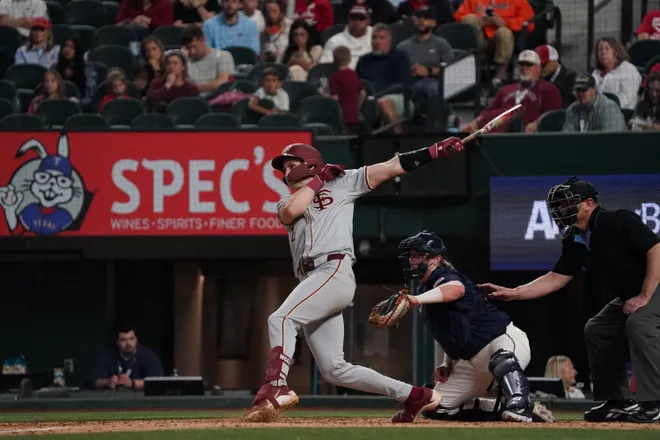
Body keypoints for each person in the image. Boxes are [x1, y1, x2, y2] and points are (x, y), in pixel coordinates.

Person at [245, 135, 468, 423]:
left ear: (310, 164)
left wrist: (433, 151)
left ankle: (276, 385)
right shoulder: (286, 202)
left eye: (291, 164)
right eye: (283, 168)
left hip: (333, 270)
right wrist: (316, 181)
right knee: (334, 369)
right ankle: (415, 396)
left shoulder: (343, 182)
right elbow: (292, 211)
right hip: (311, 279)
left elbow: (391, 166)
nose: (286, 172)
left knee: (281, 319)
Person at [481, 176, 660, 423]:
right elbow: (556, 277)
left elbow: (656, 250)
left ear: (588, 204)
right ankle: (617, 402)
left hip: (654, 286)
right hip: (632, 293)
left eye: (566, 204)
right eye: (558, 206)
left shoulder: (617, 220)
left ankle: (653, 403)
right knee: (597, 328)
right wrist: (513, 292)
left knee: (638, 323)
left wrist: (645, 296)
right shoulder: (576, 238)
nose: (560, 210)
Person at [396, 231, 555, 423]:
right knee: (435, 406)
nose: (412, 260)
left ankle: (520, 405)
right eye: (411, 255)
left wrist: (413, 300)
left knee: (502, 359)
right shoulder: (424, 288)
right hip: (471, 361)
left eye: (418, 255)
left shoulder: (445, 275)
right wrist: (448, 363)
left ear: (436, 259)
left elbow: (456, 289)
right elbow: (453, 330)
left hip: (502, 341)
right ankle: (510, 406)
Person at [461, 50, 562, 134]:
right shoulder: (506, 89)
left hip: (529, 138)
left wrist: (537, 123)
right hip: (500, 136)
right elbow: (489, 111)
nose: (524, 68)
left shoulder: (548, 88)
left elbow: (553, 115)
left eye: (529, 64)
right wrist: (475, 123)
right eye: (521, 64)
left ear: (538, 68)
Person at [455, 0, 534, 90]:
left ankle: (498, 79)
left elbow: (529, 24)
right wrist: (479, 21)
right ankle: (468, 73)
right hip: (479, 40)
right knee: (470, 19)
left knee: (504, 32)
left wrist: (506, 23)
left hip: (499, 43)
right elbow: (458, 16)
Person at [397, 6, 453, 130]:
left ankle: (435, 130)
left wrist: (428, 71)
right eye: (419, 17)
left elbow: (451, 69)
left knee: (434, 89)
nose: (421, 21)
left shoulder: (441, 44)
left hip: (433, 82)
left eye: (426, 18)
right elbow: (394, 68)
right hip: (409, 83)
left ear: (433, 23)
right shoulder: (403, 46)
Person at [356, 23, 412, 134]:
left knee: (384, 102)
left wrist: (377, 93)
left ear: (389, 41)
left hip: (399, 97)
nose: (377, 42)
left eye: (381, 38)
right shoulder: (364, 60)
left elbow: (403, 84)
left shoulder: (400, 57)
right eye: (374, 38)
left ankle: (399, 143)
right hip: (369, 99)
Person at [91, 324, 163, 391]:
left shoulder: (148, 356)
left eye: (131, 339)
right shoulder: (107, 355)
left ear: (136, 340)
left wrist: (132, 383)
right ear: (117, 342)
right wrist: (109, 382)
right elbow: (95, 381)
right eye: (123, 340)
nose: (128, 343)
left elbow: (158, 382)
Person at [562, 72, 627, 133]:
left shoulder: (609, 108)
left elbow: (612, 139)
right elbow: (567, 138)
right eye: (577, 90)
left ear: (594, 89)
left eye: (583, 90)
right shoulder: (572, 109)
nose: (580, 93)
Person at [181, 25, 234, 98]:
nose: (192, 51)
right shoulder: (185, 59)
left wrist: (192, 87)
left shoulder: (223, 56)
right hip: (192, 100)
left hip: (216, 101)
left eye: (194, 46)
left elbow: (223, 84)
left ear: (203, 40)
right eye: (188, 48)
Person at [591, 37, 642, 111]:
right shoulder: (596, 73)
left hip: (623, 113)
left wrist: (604, 108)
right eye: (600, 50)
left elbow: (627, 99)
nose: (603, 52)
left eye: (607, 49)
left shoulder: (629, 70)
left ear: (616, 52)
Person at [319, 5, 372, 70]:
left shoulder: (377, 36)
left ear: (368, 21)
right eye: (353, 18)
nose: (357, 22)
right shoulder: (334, 41)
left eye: (361, 19)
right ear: (348, 20)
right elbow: (325, 67)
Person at [328, 45, 365, 134]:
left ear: (334, 60)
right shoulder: (354, 75)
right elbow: (363, 93)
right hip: (354, 115)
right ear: (349, 59)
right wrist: (357, 107)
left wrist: (324, 96)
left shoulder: (334, 78)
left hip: (341, 118)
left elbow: (335, 98)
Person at [535, 44, 576, 108]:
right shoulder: (535, 79)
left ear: (554, 61)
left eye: (543, 65)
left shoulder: (570, 78)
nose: (540, 69)